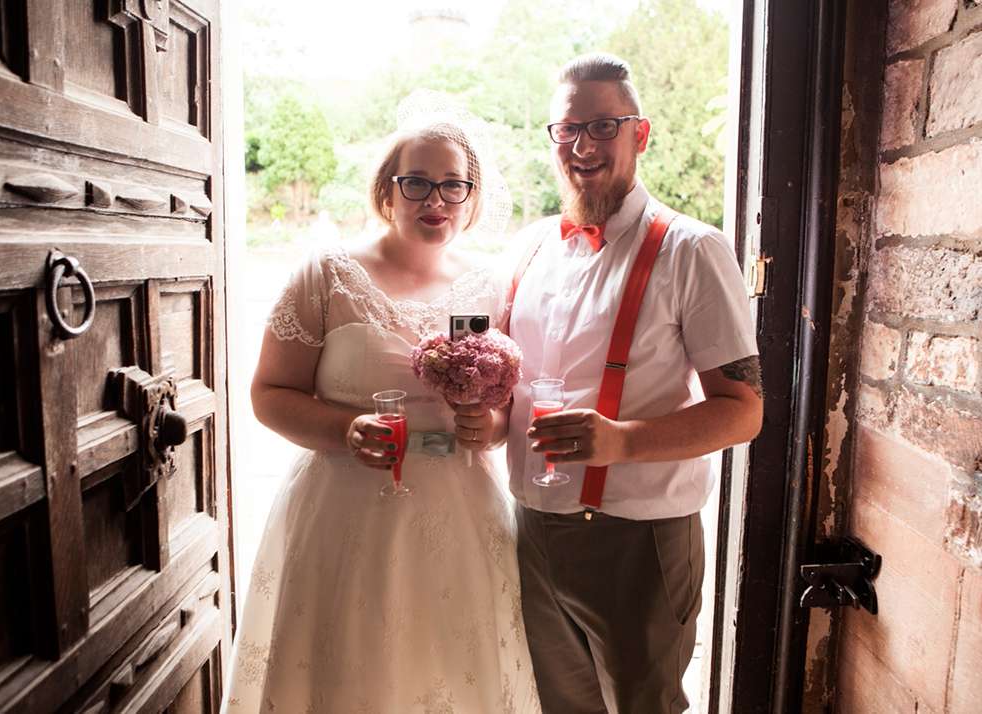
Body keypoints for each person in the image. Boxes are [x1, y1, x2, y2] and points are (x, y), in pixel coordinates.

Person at [223, 96, 539, 713]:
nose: (435, 200)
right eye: (417, 182)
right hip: (344, 511)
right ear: (387, 190)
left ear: (471, 196)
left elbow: (506, 410)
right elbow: (269, 394)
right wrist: (347, 429)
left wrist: (491, 426)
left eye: (453, 185)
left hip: (460, 511)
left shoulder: (492, 287)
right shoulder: (326, 275)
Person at [504, 53, 763, 713]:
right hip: (530, 528)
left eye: (603, 126)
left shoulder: (692, 250)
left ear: (639, 134)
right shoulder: (530, 248)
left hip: (637, 540)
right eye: (568, 129)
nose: (583, 145)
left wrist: (621, 442)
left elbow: (742, 411)